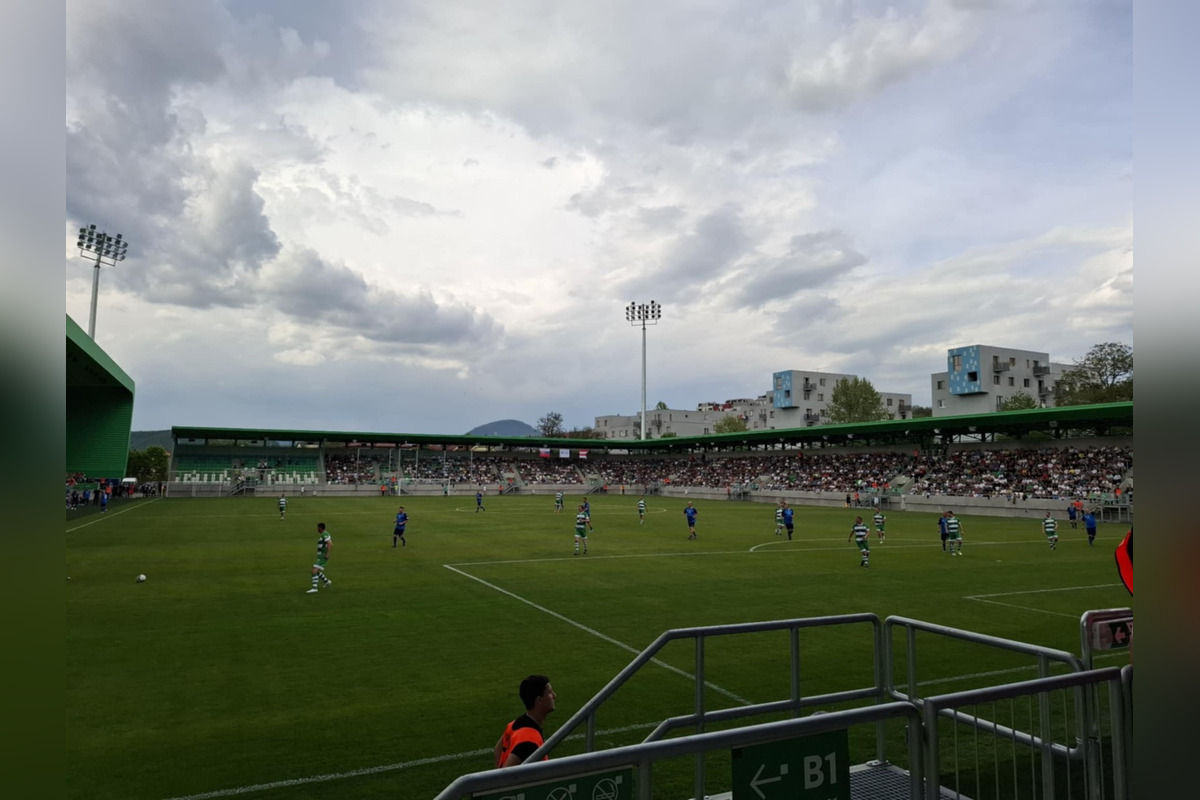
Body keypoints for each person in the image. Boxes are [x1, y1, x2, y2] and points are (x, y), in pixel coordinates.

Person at [494, 675, 557, 768]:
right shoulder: (529, 741)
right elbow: (507, 774)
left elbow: (497, 750)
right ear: (539, 700)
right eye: (550, 692)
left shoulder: (515, 723)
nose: (554, 696)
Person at [307, 523, 333, 593]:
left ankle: (314, 588)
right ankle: (327, 582)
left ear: (320, 528)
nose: (317, 529)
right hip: (321, 556)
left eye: (317, 528)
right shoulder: (324, 534)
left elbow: (330, 544)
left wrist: (327, 554)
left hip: (323, 556)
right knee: (317, 571)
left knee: (314, 571)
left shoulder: (325, 534)